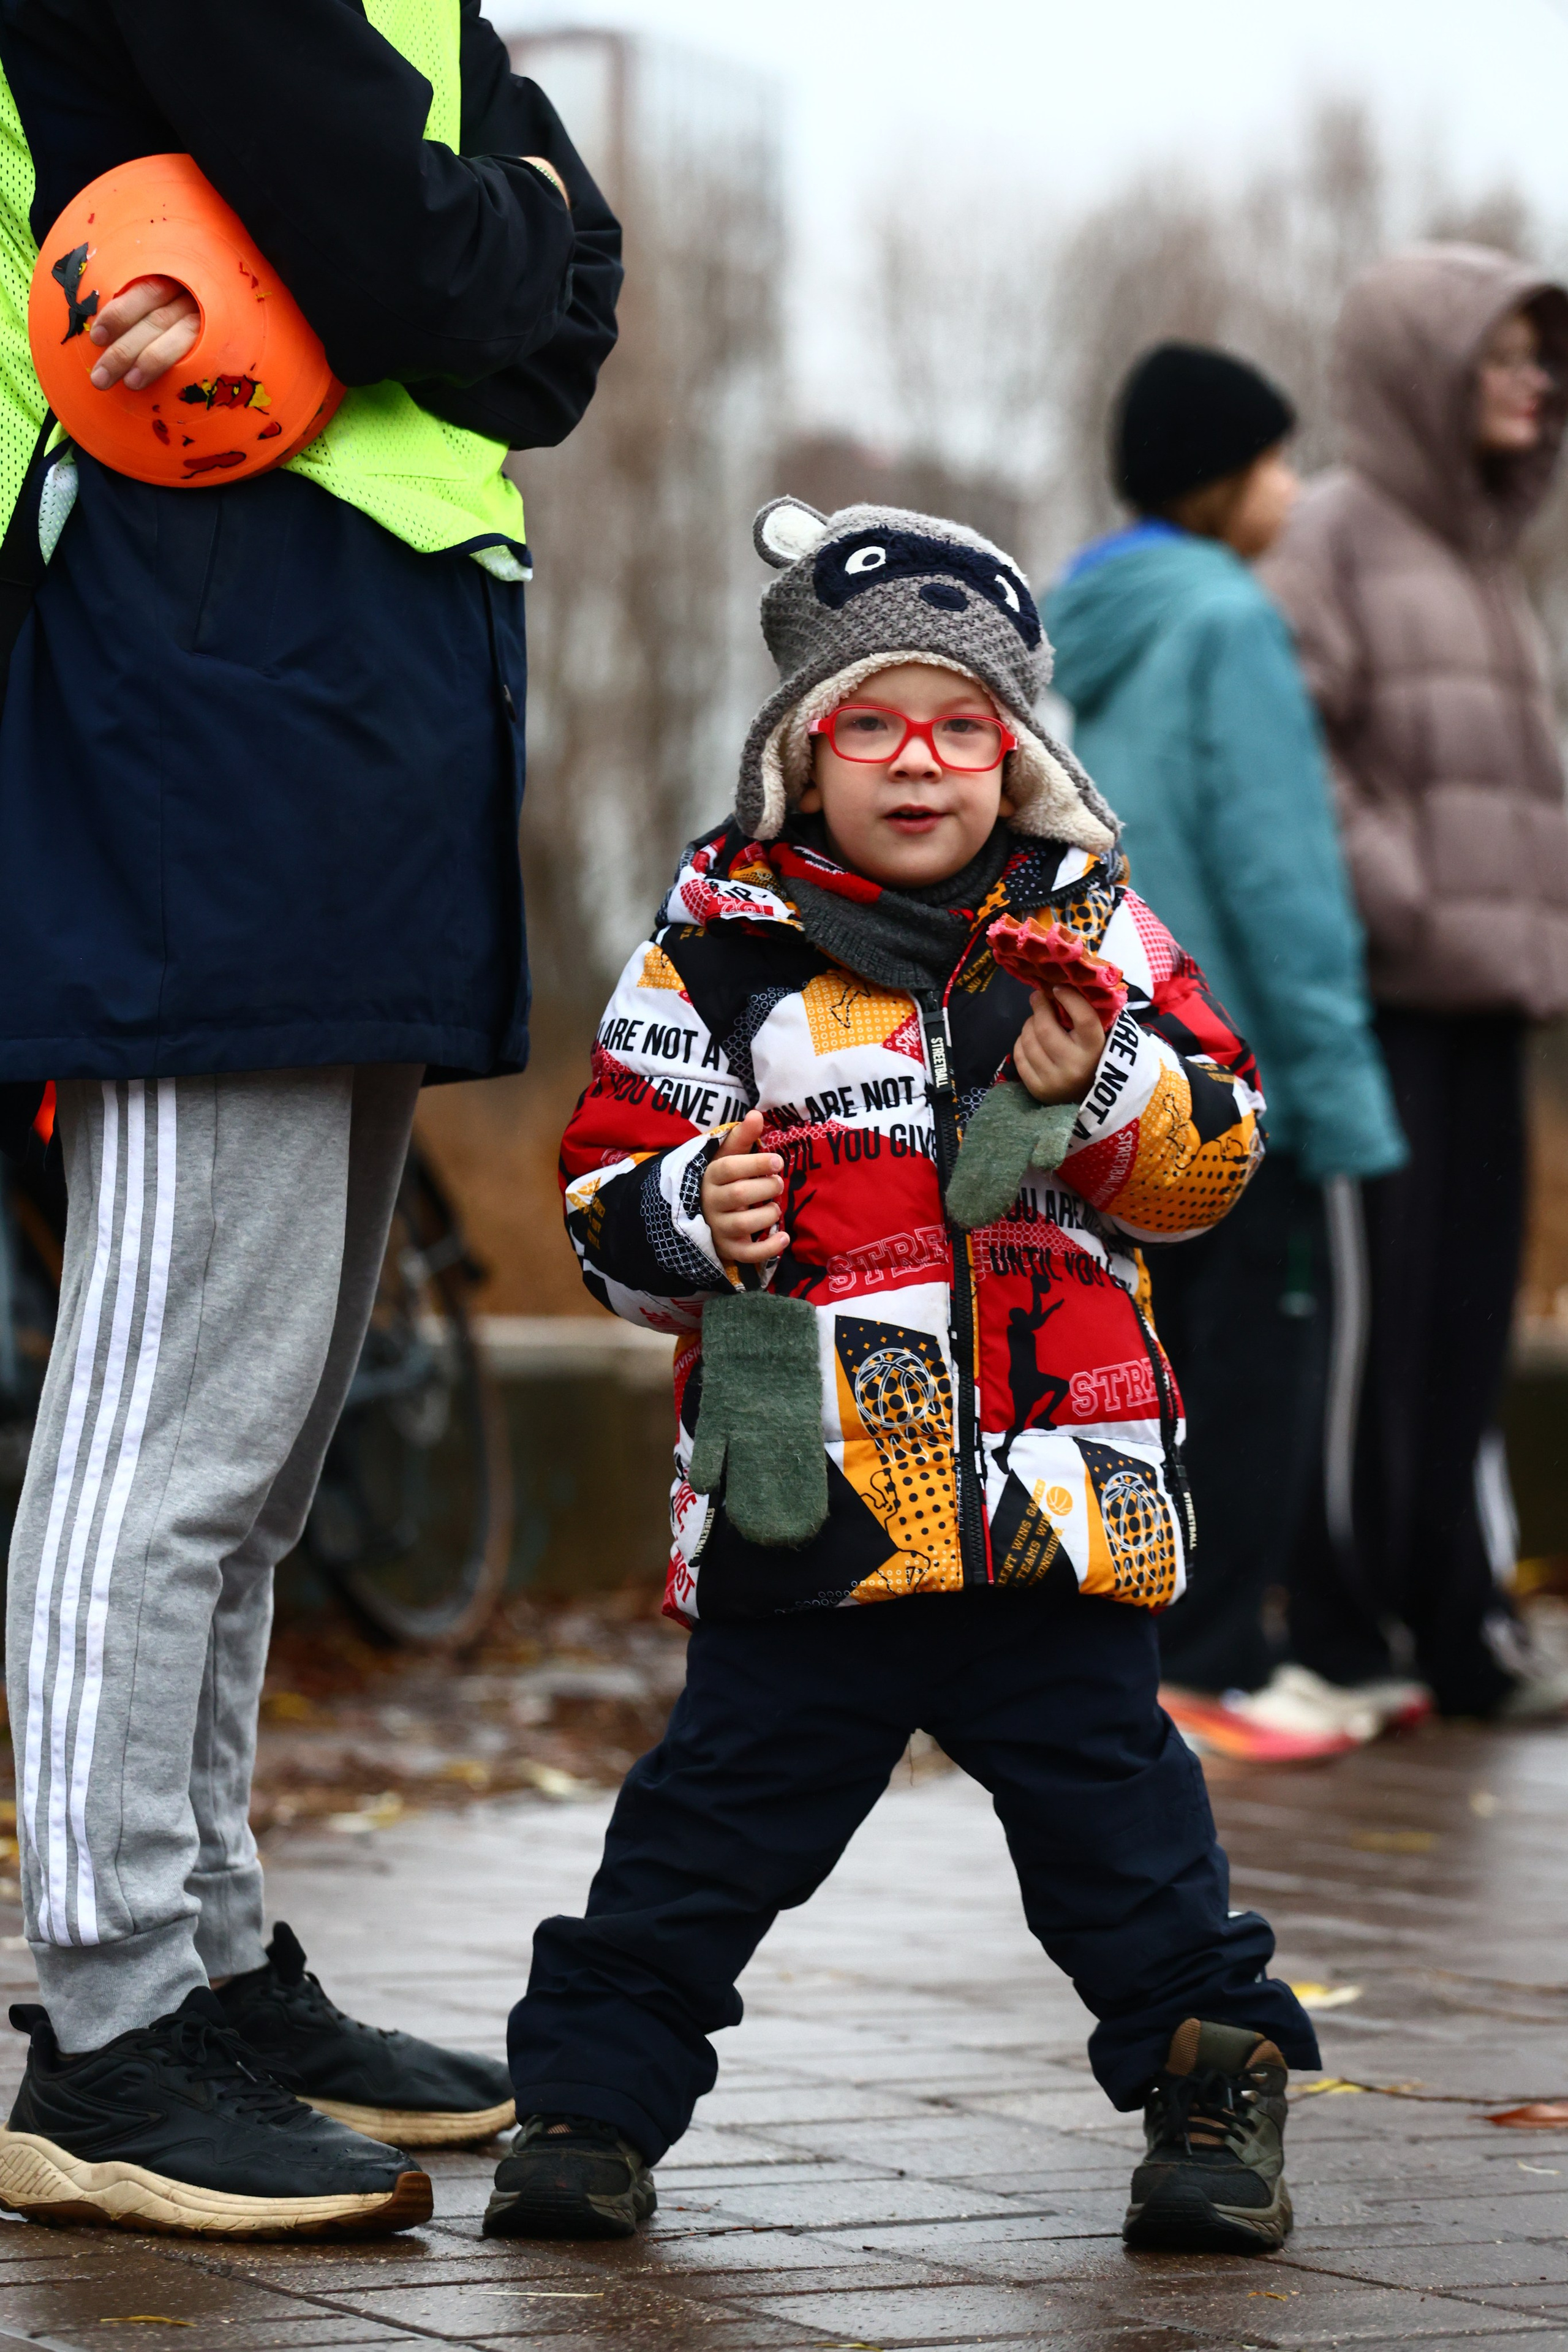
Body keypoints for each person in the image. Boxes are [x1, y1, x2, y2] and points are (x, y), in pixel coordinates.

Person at [486, 496, 1319, 2253]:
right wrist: (681, 1213)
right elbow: (599, 1204)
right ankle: (585, 2107)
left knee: (1129, 1846)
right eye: (871, 722)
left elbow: (1217, 1162)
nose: (918, 762)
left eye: (960, 726)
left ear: (1012, 755)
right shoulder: (716, 947)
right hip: (815, 1509)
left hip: (1055, 1513)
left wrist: (1101, 1098)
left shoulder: (1100, 932)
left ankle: (1209, 2094)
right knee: (704, 1839)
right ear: (805, 747)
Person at [0, 1, 620, 2238]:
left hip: (340, 716)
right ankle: (104, 2027)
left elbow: (548, 322)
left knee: (257, 1450)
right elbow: (451, 278)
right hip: (202, 703)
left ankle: (207, 1959)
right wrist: (491, 236)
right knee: (164, 1430)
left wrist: (490, 235)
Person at [1044, 344, 1411, 1758]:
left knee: (1160, 1367)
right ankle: (1210, 1668)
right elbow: (1279, 875)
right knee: (1265, 1370)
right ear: (1216, 480)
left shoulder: (1099, 621)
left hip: (1129, 1056)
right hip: (1240, 1066)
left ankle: (1144, 1665)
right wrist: (1334, 1086)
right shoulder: (1231, 623)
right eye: (1273, 462)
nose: (1294, 485)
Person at [1262, 247, 1568, 1721]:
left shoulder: (1487, 565)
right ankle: (1341, 1623)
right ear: (1419, 371)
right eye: (1500, 354)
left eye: (1536, 356)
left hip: (1486, 1004)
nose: (1532, 380)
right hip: (1386, 1000)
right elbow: (1298, 752)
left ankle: (1456, 1629)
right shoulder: (1328, 533)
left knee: (1462, 1328)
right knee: (1369, 1337)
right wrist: (1409, 898)